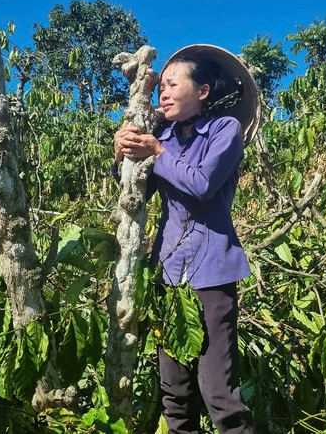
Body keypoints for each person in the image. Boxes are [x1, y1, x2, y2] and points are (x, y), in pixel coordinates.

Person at [112, 45, 260, 434]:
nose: (163, 92)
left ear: (202, 92)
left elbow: (202, 185)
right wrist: (122, 158)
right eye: (160, 85)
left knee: (218, 391)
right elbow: (136, 196)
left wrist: (157, 151)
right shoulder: (162, 136)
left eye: (172, 84)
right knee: (174, 391)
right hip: (168, 275)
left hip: (211, 274)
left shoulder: (225, 130)